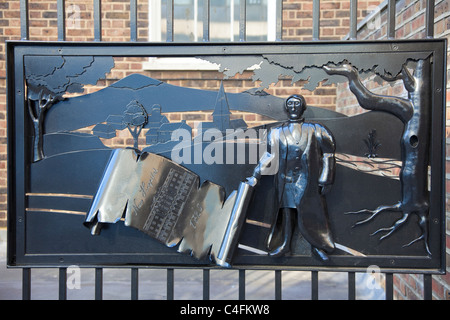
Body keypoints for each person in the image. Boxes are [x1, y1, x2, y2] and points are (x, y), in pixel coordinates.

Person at [249, 95, 336, 261]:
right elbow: (269, 155)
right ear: (286, 108)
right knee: (287, 213)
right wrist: (256, 173)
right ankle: (285, 244)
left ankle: (317, 246)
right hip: (286, 180)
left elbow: (329, 153)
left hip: (308, 182)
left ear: (303, 107)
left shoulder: (316, 129)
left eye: (297, 103)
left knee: (312, 214)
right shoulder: (276, 133)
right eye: (290, 104)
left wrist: (326, 178)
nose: (294, 106)